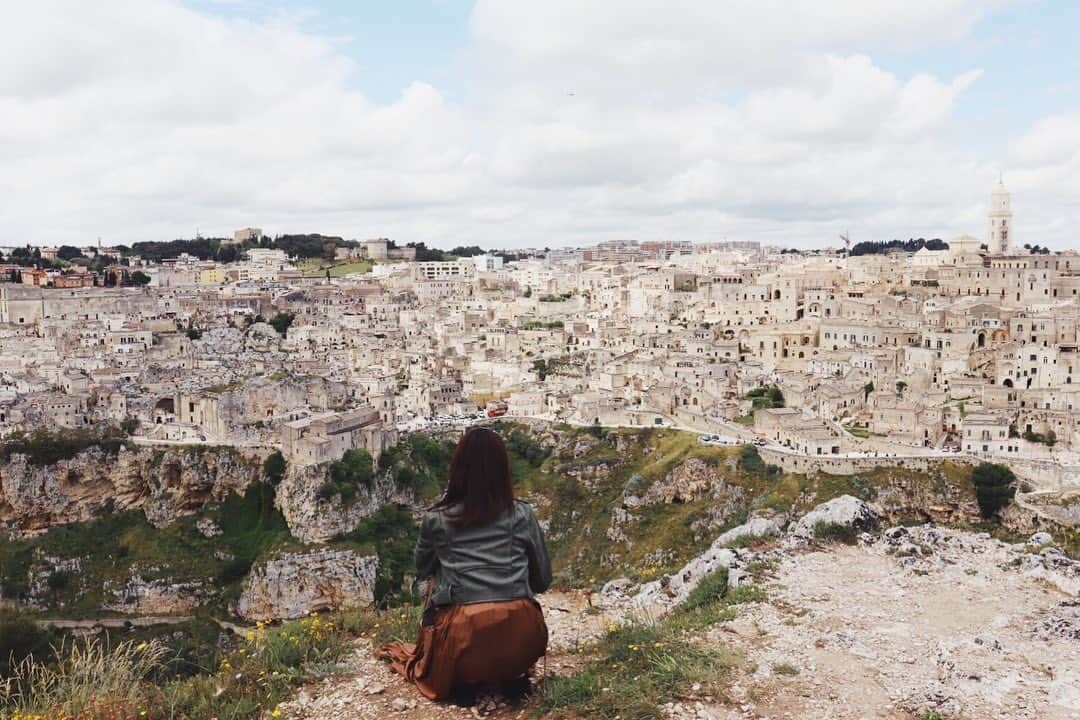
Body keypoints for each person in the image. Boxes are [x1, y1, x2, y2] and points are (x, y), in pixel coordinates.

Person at [379, 426, 552, 705]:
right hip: (523, 639)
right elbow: (543, 580)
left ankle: (464, 677)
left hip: (464, 640)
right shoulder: (523, 514)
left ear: (457, 469)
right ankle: (507, 675)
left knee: (440, 591)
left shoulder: (436, 519)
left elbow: (422, 567)